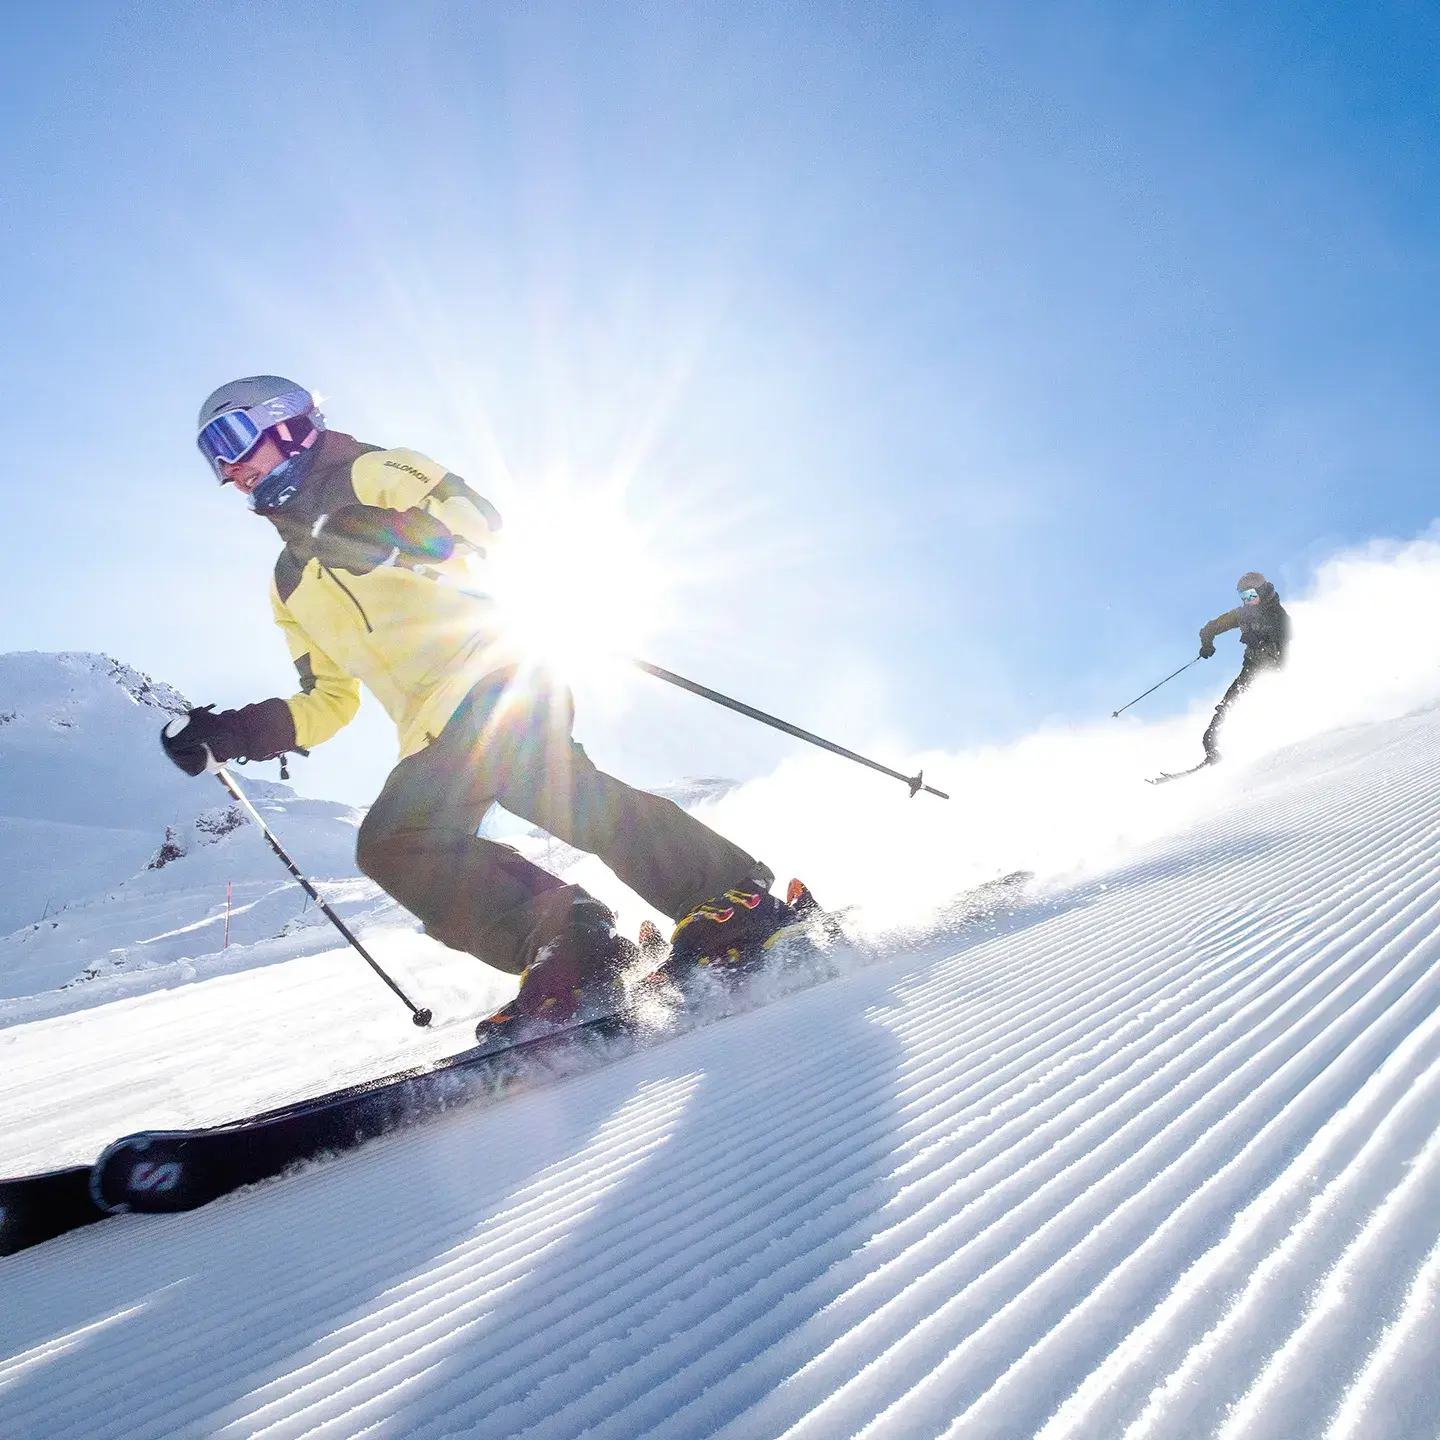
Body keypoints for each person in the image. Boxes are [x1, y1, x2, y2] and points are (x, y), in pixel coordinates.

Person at [160, 375, 793, 1038]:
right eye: (213, 458)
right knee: (396, 844)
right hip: (433, 732)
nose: (228, 469)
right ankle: (574, 947)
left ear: (286, 422)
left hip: (499, 673)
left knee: (543, 785)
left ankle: (730, 899)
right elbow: (330, 700)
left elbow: (477, 524)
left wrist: (396, 530)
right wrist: (234, 733)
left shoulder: (373, 471)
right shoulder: (288, 584)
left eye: (230, 440)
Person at [1197, 570, 1290, 763]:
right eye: (1243, 596)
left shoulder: (1278, 616)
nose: (1248, 600)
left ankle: (1262, 746)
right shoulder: (1242, 614)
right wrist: (1207, 644)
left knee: (1256, 706)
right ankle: (1211, 747)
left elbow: (1282, 649)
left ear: (1262, 592)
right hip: (1250, 670)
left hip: (1271, 673)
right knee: (1227, 703)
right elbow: (1210, 627)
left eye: (1252, 595)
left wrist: (1258, 641)